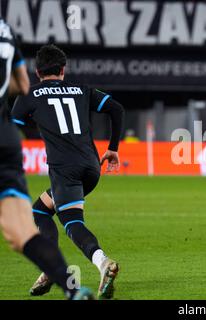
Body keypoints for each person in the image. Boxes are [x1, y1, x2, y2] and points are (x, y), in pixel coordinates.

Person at [11, 45, 125, 299]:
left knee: (72, 222)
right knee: (40, 210)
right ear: (63, 70)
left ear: (37, 72)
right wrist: (113, 148)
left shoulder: (29, 93)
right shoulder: (82, 90)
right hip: (92, 167)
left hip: (65, 170)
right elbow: (116, 109)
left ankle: (103, 262)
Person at [0, 20, 93, 300]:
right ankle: (71, 289)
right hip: (4, 138)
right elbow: (20, 82)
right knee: (22, 229)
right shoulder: (5, 32)